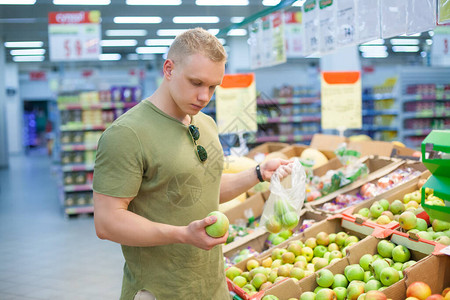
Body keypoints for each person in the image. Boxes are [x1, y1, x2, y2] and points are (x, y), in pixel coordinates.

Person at [93, 27, 291, 300]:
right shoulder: (127, 134)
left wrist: (257, 173)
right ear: (169, 69)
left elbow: (203, 188)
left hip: (212, 287)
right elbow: (107, 221)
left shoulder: (206, 124)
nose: (204, 97)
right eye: (196, 83)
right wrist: (183, 234)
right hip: (159, 291)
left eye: (213, 86)